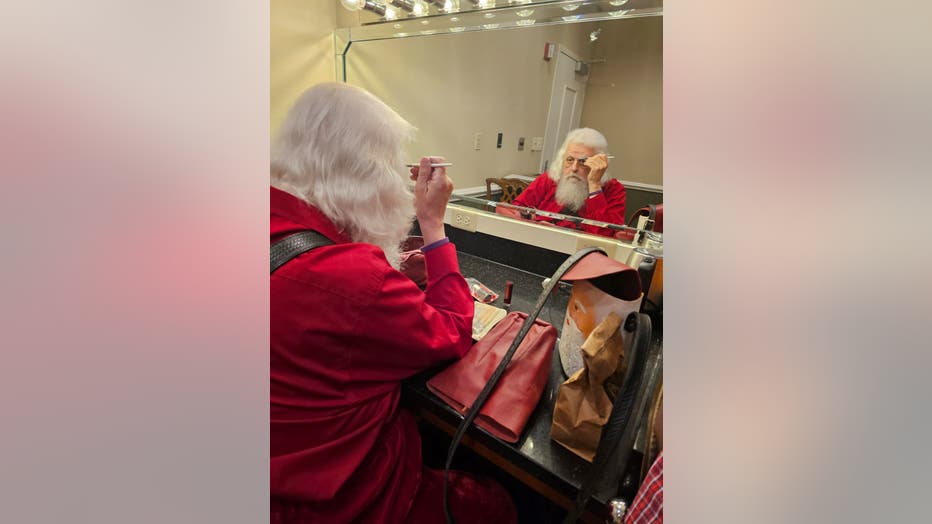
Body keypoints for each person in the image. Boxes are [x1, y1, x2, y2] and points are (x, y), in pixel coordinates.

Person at [270, 83, 517, 524]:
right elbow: (452, 330)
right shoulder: (350, 278)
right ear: (363, 174)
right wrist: (433, 224)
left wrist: (390, 272)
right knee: (495, 503)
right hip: (343, 502)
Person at [499, 127, 626, 237]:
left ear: (599, 163)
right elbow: (514, 210)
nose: (574, 168)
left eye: (583, 161)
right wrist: (530, 220)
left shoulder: (614, 190)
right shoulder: (549, 178)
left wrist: (594, 184)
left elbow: (604, 237)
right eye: (570, 159)